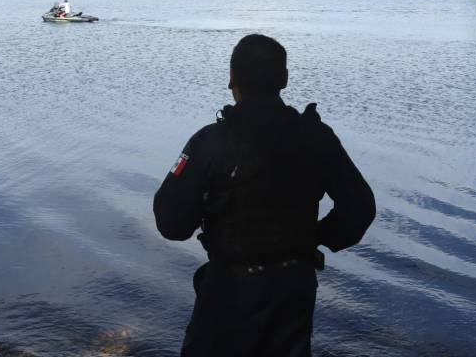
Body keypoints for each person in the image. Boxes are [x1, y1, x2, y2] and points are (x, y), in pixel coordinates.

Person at [153, 34, 376, 357]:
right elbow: (359, 209)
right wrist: (312, 238)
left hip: (230, 291)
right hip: (294, 287)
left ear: (231, 78)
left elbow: (171, 225)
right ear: (284, 79)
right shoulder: (317, 136)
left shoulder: (211, 142)